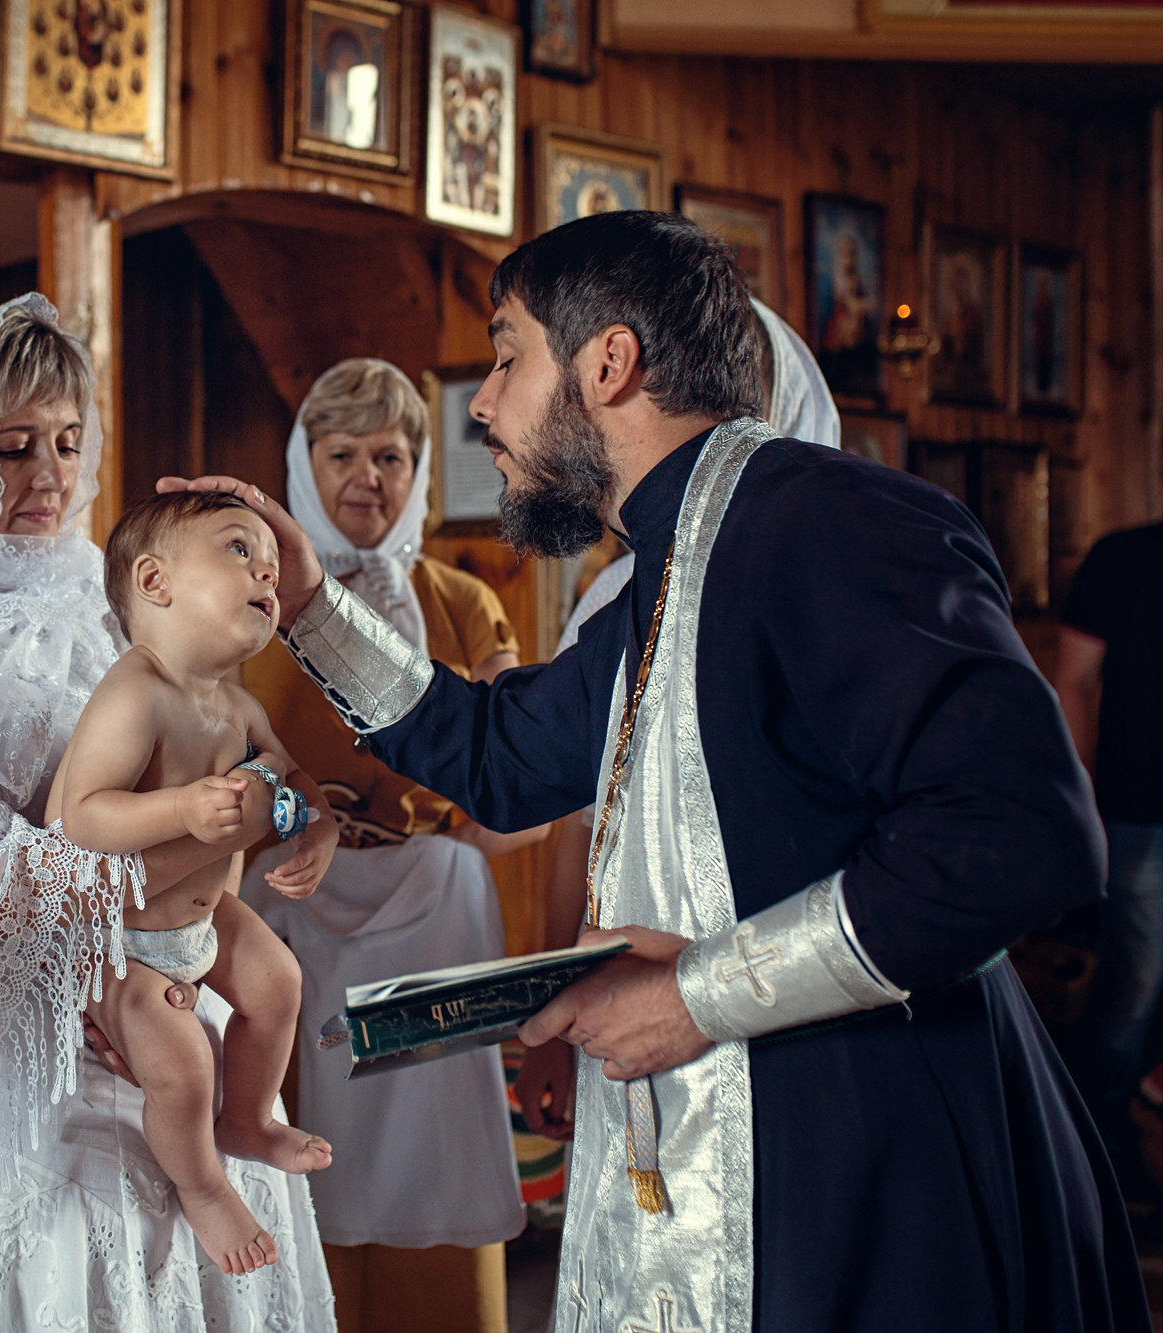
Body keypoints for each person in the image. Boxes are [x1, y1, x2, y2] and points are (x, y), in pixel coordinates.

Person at [172, 210, 1146, 1332]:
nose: (481, 402)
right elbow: (498, 756)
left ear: (607, 362)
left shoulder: (827, 518)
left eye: (503, 355)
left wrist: (693, 995)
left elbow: (1017, 835)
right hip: (755, 1144)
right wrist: (304, 603)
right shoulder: (665, 569)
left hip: (878, 1162)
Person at [0, 295, 337, 1331]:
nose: (46, 474)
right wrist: (136, 923)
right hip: (39, 1038)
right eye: (7, 447)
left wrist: (277, 806)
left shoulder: (108, 589)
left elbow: (219, 728)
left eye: (65, 441)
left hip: (181, 996)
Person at [236, 357, 543, 1324]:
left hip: (424, 889)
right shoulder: (249, 596)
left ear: (419, 471)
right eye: (341, 454)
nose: (366, 476)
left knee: (454, 879)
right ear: (303, 465)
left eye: (391, 455)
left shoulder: (461, 601)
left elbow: (517, 773)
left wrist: (469, 811)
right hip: (284, 881)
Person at [515, 295, 842, 1139]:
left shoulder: (831, 574)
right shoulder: (615, 598)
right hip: (628, 987)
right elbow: (574, 820)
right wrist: (549, 1018)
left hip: (801, 985)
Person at [55, 490, 335, 1277]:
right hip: (127, 943)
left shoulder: (237, 702)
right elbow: (82, 815)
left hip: (206, 921)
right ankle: (204, 1183)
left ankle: (247, 1119)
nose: (267, 574)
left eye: (273, 568)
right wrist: (179, 805)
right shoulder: (134, 690)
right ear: (155, 580)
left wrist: (324, 827)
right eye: (240, 550)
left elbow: (294, 779)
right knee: (180, 1069)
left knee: (279, 981)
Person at [1057, 520, 1163, 1190]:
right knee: (1130, 990)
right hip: (1135, 812)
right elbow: (1073, 682)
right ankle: (1090, 1163)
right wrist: (1081, 801)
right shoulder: (1122, 558)